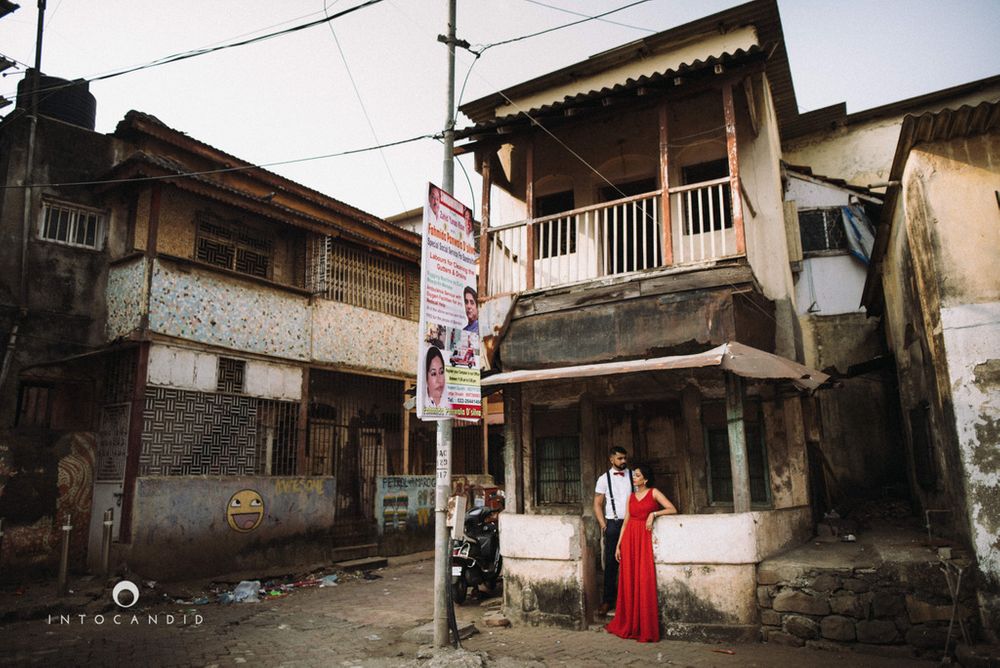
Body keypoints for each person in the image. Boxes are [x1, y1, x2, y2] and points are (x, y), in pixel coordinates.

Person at [606, 462, 677, 643]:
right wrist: (618, 545)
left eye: (637, 475)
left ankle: (644, 626)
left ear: (645, 479)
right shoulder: (631, 497)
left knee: (643, 579)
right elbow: (626, 522)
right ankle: (628, 622)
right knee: (629, 579)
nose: (634, 478)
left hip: (644, 539)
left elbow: (672, 509)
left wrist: (654, 515)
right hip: (630, 538)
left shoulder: (654, 492)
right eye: (634, 475)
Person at [593, 446, 631, 617]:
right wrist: (603, 525)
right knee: (611, 564)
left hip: (632, 523)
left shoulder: (633, 475)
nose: (623, 461)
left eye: (625, 458)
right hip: (613, 524)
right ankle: (608, 600)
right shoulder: (603, 479)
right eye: (620, 458)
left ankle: (630, 601)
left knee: (632, 562)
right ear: (611, 459)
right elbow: (597, 504)